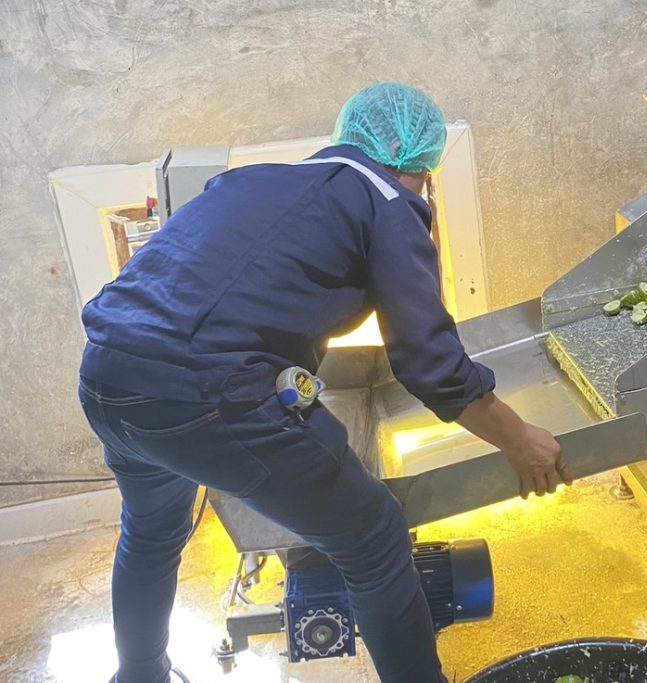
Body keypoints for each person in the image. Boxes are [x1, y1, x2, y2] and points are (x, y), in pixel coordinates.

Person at [77, 82, 571, 683]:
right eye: (425, 177)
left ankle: (140, 675)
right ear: (413, 161)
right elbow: (428, 360)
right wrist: (518, 439)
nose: (422, 190)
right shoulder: (389, 201)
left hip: (106, 372)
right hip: (206, 397)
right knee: (375, 539)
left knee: (151, 534)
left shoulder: (250, 181)